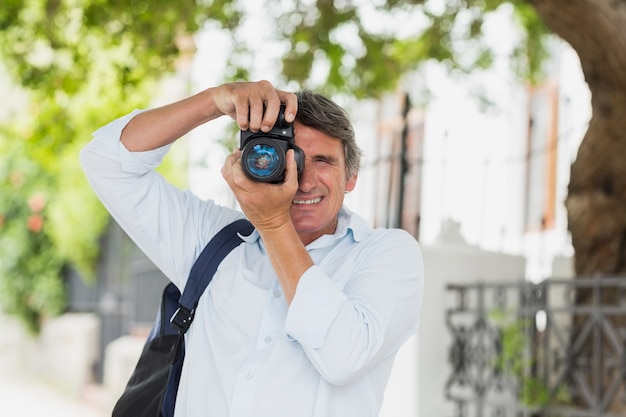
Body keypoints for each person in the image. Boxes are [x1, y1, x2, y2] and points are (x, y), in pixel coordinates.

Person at [80, 80, 424, 417]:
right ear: (253, 162)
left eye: (323, 161)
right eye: (290, 158)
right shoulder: (214, 240)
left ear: (351, 176)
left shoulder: (387, 255)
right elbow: (107, 161)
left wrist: (274, 224)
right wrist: (215, 101)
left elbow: (343, 356)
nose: (302, 180)